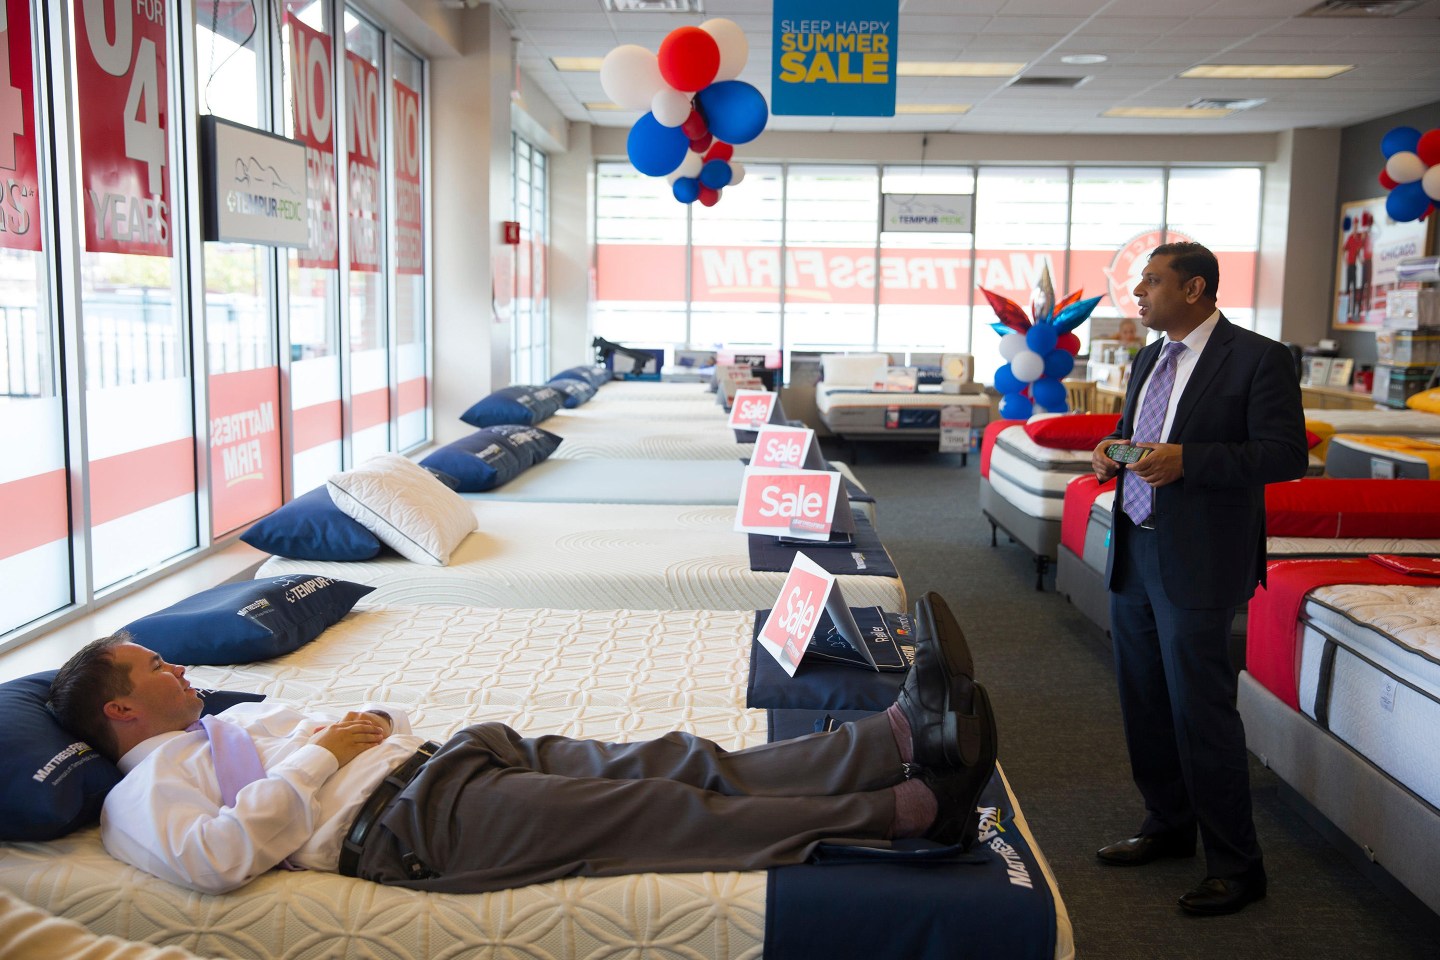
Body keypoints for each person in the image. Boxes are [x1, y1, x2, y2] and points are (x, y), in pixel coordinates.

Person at [47, 597, 997, 896]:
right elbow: (216, 862)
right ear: (120, 713)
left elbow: (339, 739)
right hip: (409, 823)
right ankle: (912, 812)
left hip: (443, 764)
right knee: (660, 814)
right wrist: (328, 752)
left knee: (674, 758)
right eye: (153, 668)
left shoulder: (224, 723)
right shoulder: (142, 794)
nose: (176, 669)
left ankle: (896, 738)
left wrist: (365, 731)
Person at [1089, 242, 1308, 916]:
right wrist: (1112, 448)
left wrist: (1192, 461)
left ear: (1195, 289)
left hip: (1202, 559)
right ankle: (1167, 825)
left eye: (1152, 282)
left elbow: (1285, 455)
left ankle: (1238, 867)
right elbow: (1139, 434)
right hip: (1136, 549)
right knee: (1146, 703)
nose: (1139, 293)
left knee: (1201, 713)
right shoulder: (1149, 356)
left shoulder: (1258, 358)